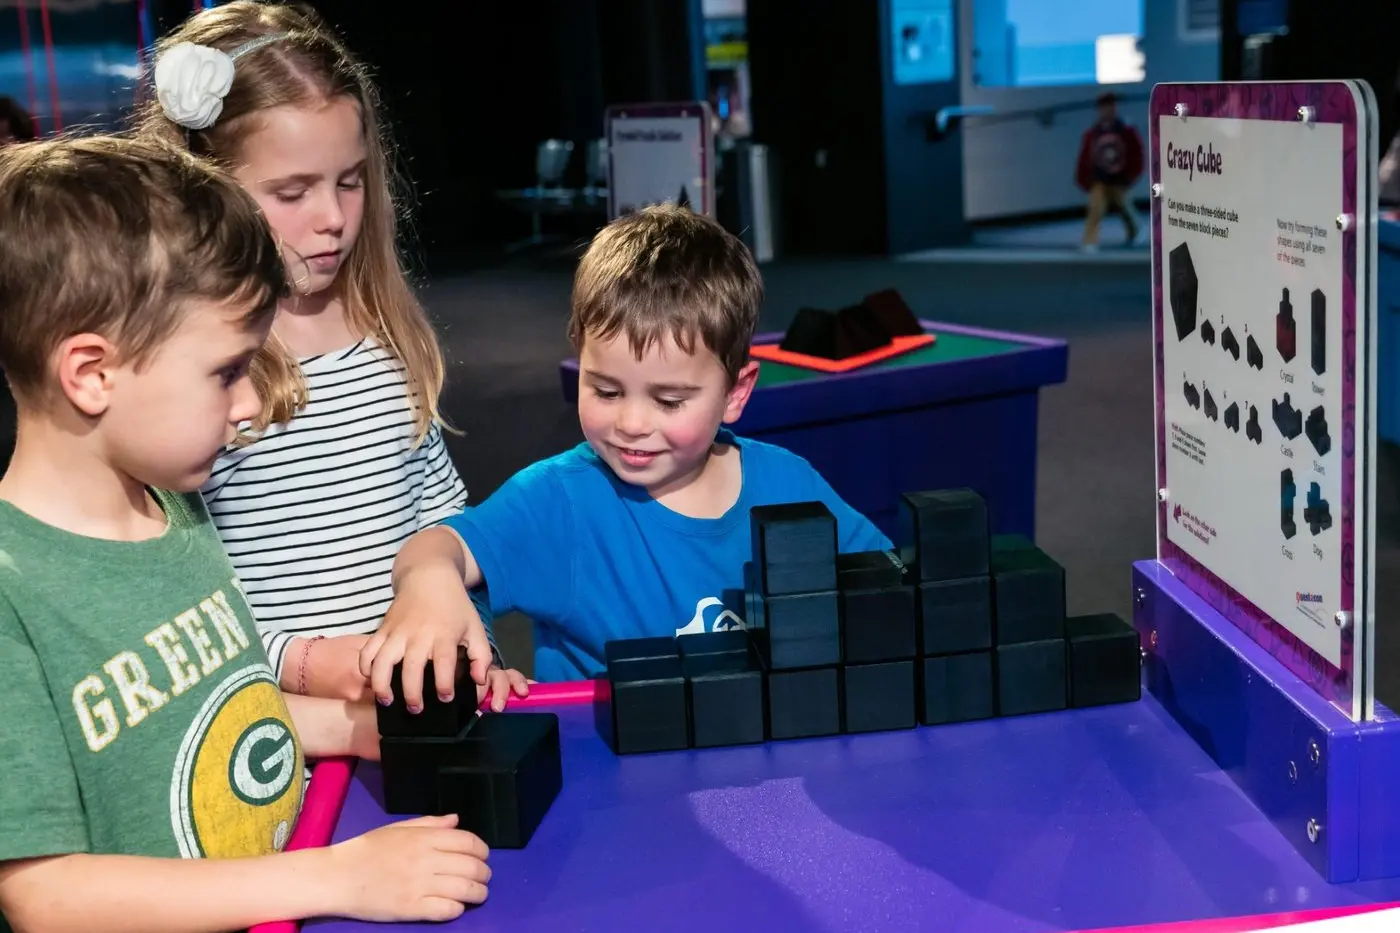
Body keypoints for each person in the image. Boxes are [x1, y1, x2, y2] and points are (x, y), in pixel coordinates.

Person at [0, 135, 490, 933]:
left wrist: (363, 728)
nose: (250, 404)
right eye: (227, 372)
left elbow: (219, 712)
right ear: (91, 373)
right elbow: (45, 897)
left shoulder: (176, 513)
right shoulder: (12, 597)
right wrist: (333, 875)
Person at [137, 1, 525, 710]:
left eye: (350, 181)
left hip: (408, 712)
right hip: (279, 727)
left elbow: (440, 517)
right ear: (204, 192)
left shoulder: (383, 327)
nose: (335, 218)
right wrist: (306, 664)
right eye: (292, 192)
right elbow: (168, 608)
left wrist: (469, 641)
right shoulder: (199, 377)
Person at [358, 204, 892, 706]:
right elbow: (437, 548)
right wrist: (429, 584)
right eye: (607, 391)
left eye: (669, 400)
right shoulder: (561, 501)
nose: (632, 424)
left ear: (736, 392)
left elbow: (884, 587)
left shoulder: (789, 483)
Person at [1075, 91, 1145, 250]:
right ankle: (1089, 241)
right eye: (1105, 107)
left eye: (1111, 106)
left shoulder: (1125, 130)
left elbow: (1136, 153)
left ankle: (1136, 231)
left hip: (1120, 179)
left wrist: (1131, 175)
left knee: (1125, 207)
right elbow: (1085, 156)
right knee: (1095, 208)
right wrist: (1085, 180)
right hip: (1099, 179)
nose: (1108, 110)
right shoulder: (1093, 133)